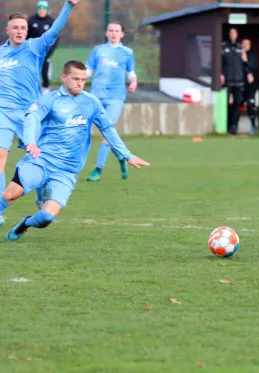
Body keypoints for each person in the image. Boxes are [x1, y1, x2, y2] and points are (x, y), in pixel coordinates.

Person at [0, 60, 149, 242]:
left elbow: (107, 128)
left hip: (67, 171)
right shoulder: (51, 99)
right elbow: (32, 117)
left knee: (46, 218)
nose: (80, 83)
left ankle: (24, 224)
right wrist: (31, 141)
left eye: (83, 79)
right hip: (41, 160)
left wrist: (127, 155)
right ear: (64, 77)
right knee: (10, 194)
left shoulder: (91, 102)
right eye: (75, 78)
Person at [0, 0, 78, 227]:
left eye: (23, 28)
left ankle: (42, 192)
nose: (19, 31)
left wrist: (69, 6)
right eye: (15, 27)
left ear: (27, 30)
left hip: (29, 115)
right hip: (3, 113)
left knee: (40, 156)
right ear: (7, 30)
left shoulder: (35, 47)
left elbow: (55, 30)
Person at [84, 22, 137, 182]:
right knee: (100, 132)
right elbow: (88, 70)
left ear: (122, 34)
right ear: (106, 33)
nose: (114, 33)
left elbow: (131, 73)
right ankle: (121, 158)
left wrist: (133, 81)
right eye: (111, 31)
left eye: (117, 31)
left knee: (107, 132)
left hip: (116, 97)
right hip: (97, 96)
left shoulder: (127, 52)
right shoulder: (98, 50)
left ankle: (98, 169)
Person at [26, 1, 57, 95]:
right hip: (32, 52)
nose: (42, 10)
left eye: (44, 8)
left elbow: (55, 39)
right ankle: (31, 90)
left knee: (45, 72)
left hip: (45, 53)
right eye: (40, 8)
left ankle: (46, 90)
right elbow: (26, 36)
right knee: (31, 72)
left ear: (47, 10)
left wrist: (49, 53)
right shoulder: (30, 20)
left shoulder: (51, 22)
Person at [221, 28, 245, 135]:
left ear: (237, 34)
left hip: (239, 82)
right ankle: (226, 126)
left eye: (234, 33)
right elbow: (219, 62)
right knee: (226, 104)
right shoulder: (223, 47)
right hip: (227, 81)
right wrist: (221, 74)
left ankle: (234, 127)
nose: (232, 34)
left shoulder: (240, 47)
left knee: (237, 105)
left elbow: (245, 63)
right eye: (230, 33)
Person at [241, 38, 257, 135]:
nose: (245, 45)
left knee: (250, 104)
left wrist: (245, 60)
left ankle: (253, 126)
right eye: (244, 44)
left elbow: (253, 66)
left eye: (247, 44)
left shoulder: (252, 55)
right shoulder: (237, 55)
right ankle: (232, 126)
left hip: (250, 85)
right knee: (236, 104)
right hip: (239, 83)